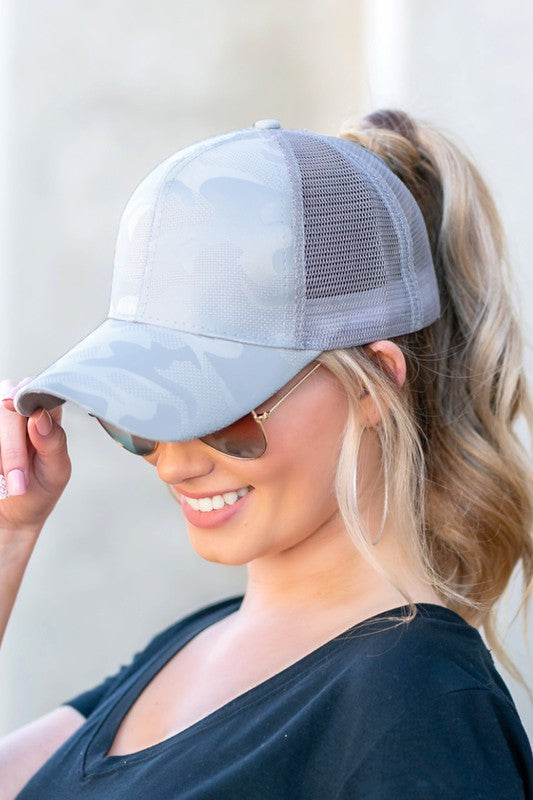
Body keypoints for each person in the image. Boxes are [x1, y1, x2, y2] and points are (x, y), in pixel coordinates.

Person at [0, 110, 532, 799]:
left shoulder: (417, 706)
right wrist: (11, 537)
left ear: (373, 382)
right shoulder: (196, 642)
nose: (174, 463)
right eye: (144, 419)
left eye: (222, 410)